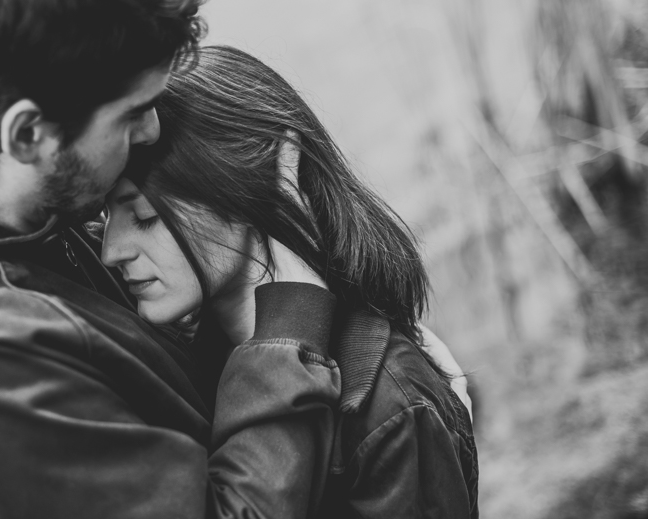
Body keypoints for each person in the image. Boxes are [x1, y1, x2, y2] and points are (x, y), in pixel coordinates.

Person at [0, 0, 343, 518]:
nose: (152, 129)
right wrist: (293, 315)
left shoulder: (34, 212)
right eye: (131, 113)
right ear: (28, 134)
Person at [101, 45, 479, 518]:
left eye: (144, 217)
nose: (111, 250)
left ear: (242, 195)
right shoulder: (182, 366)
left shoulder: (387, 405)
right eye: (105, 214)